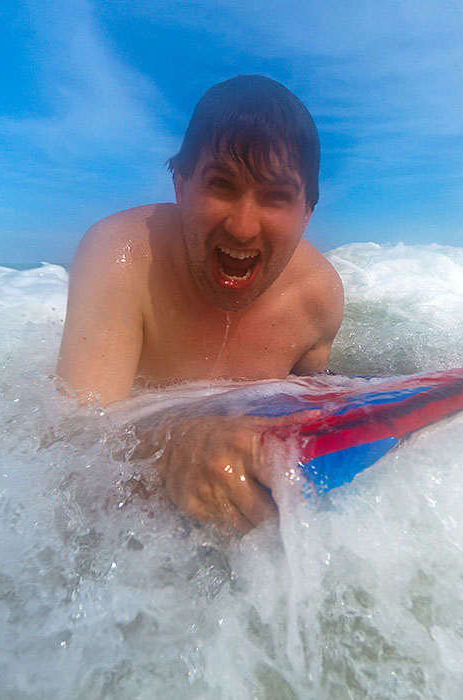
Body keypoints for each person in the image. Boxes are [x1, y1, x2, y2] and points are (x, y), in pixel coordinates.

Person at [56, 75, 344, 532]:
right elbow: (66, 446)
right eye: (222, 184)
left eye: (276, 197)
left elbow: (312, 406)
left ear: (307, 211)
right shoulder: (121, 258)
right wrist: (170, 450)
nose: (244, 227)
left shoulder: (318, 299)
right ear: (181, 184)